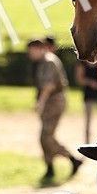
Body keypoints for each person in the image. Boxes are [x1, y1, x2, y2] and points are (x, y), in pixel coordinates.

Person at [27, 38, 82, 185]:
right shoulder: (43, 62)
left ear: (39, 48)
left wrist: (40, 103)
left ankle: (70, 159)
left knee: (46, 136)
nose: (29, 55)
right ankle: (52, 166)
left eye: (31, 51)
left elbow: (49, 86)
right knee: (46, 137)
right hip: (50, 102)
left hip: (54, 101)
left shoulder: (49, 61)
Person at [74, 60, 97, 145]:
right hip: (89, 96)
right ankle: (87, 143)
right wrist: (90, 82)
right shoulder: (82, 64)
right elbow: (79, 80)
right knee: (88, 122)